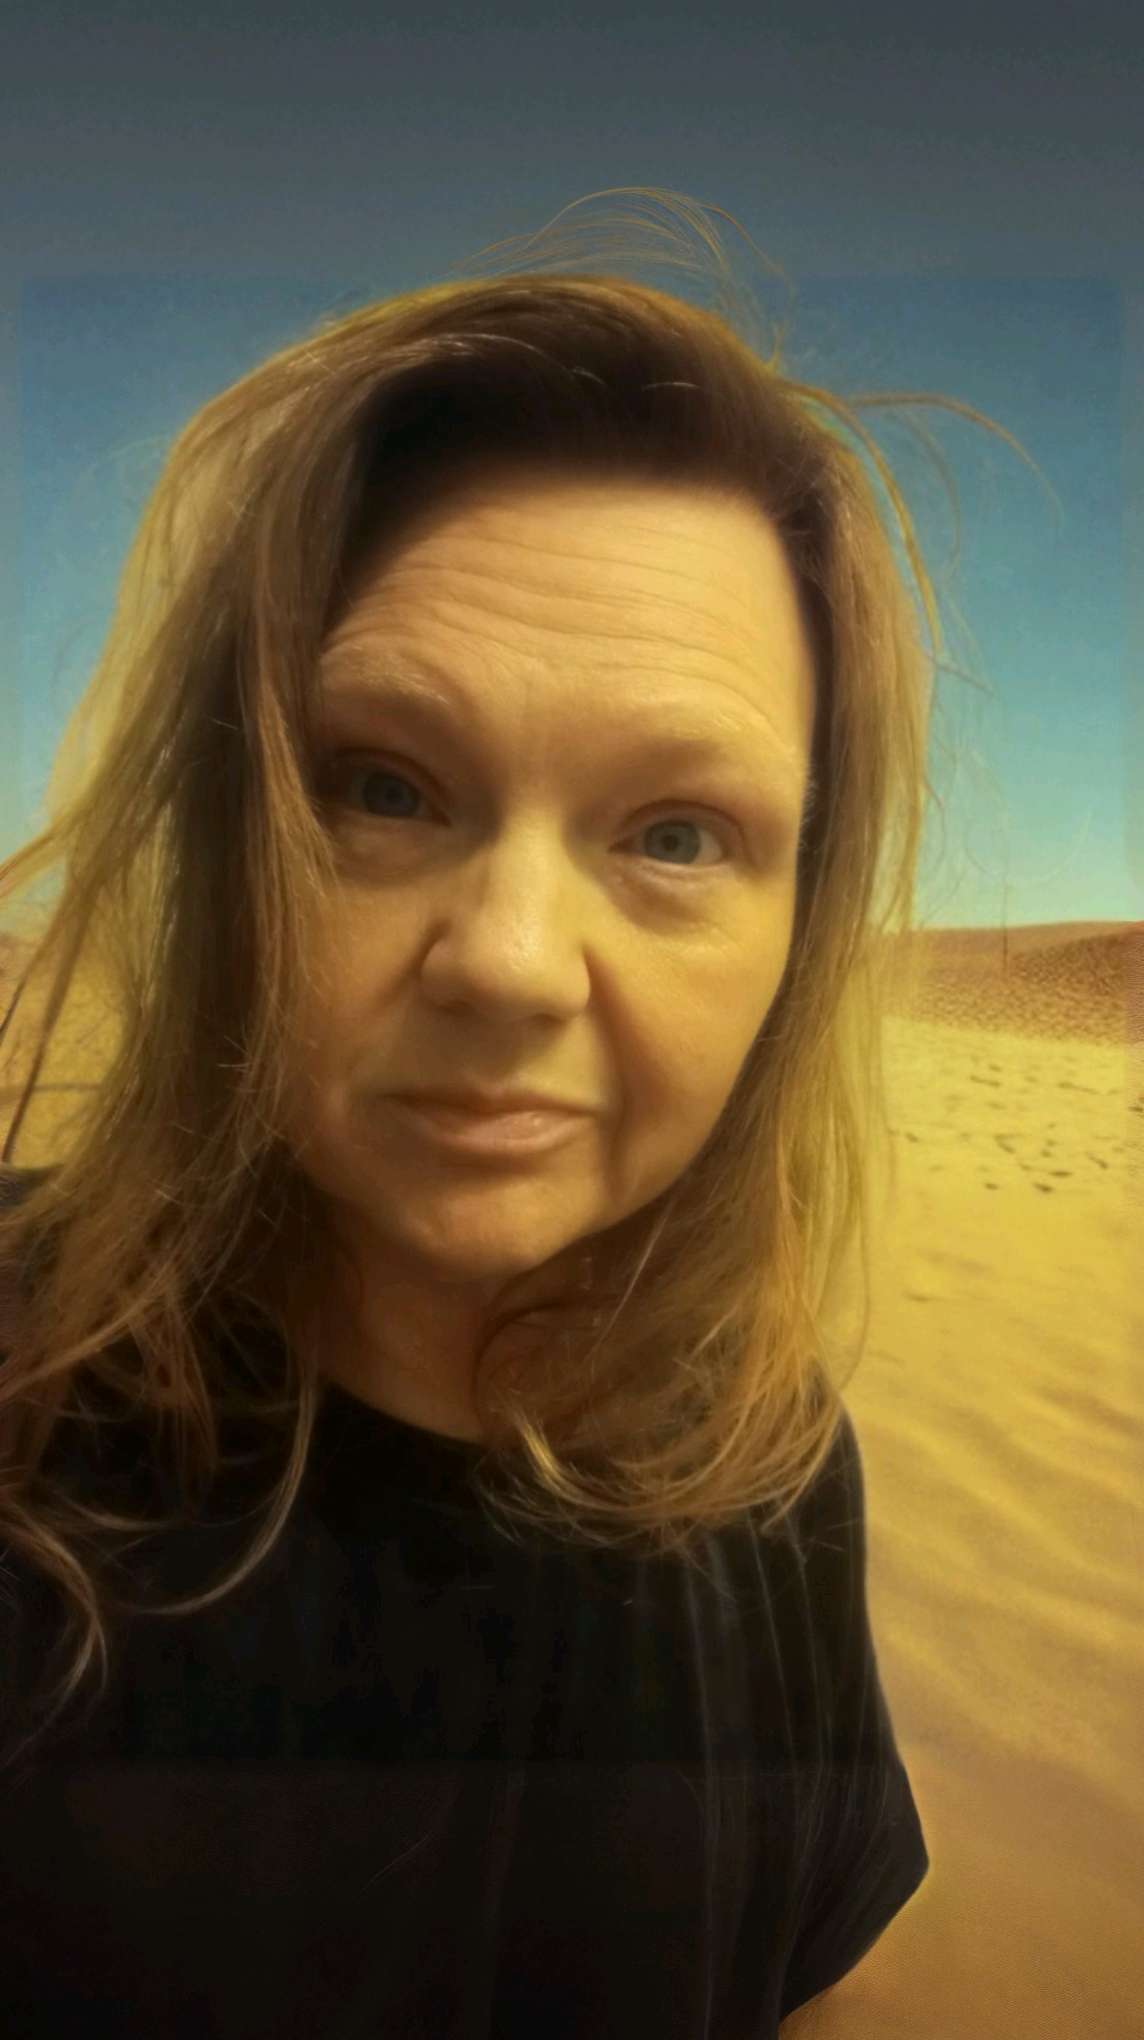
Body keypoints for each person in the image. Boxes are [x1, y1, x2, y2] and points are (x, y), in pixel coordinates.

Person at [0, 189, 1026, 2035]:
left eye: (676, 834)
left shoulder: (769, 1456)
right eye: (383, 789)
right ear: (231, 836)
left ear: (798, 930)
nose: (512, 963)